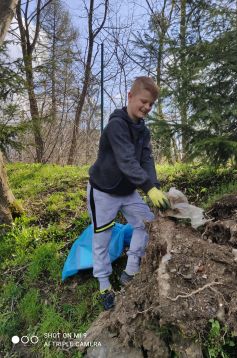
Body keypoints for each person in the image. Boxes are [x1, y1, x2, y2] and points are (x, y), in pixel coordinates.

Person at [87, 76, 169, 310]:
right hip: (103, 190)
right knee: (101, 237)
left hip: (127, 191)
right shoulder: (116, 125)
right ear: (130, 96)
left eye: (151, 104)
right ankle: (104, 284)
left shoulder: (143, 131)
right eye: (144, 101)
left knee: (147, 223)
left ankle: (131, 270)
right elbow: (126, 160)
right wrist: (148, 187)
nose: (147, 107)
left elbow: (146, 160)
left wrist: (154, 187)